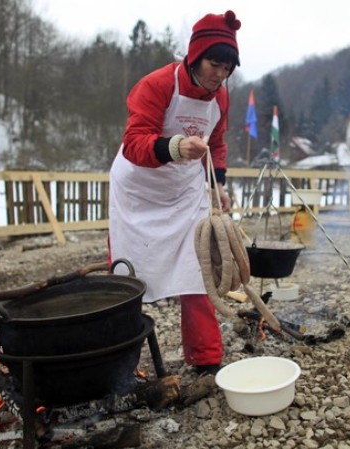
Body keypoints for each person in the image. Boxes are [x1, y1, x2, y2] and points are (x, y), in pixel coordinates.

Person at [108, 10, 241, 376]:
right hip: (139, 190)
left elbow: (216, 142)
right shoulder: (157, 84)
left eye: (228, 67)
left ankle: (206, 359)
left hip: (183, 191)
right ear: (196, 56)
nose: (221, 74)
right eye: (215, 63)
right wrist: (176, 147)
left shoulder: (221, 98)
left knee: (199, 272)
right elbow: (134, 142)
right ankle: (119, 365)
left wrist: (219, 185)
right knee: (127, 278)